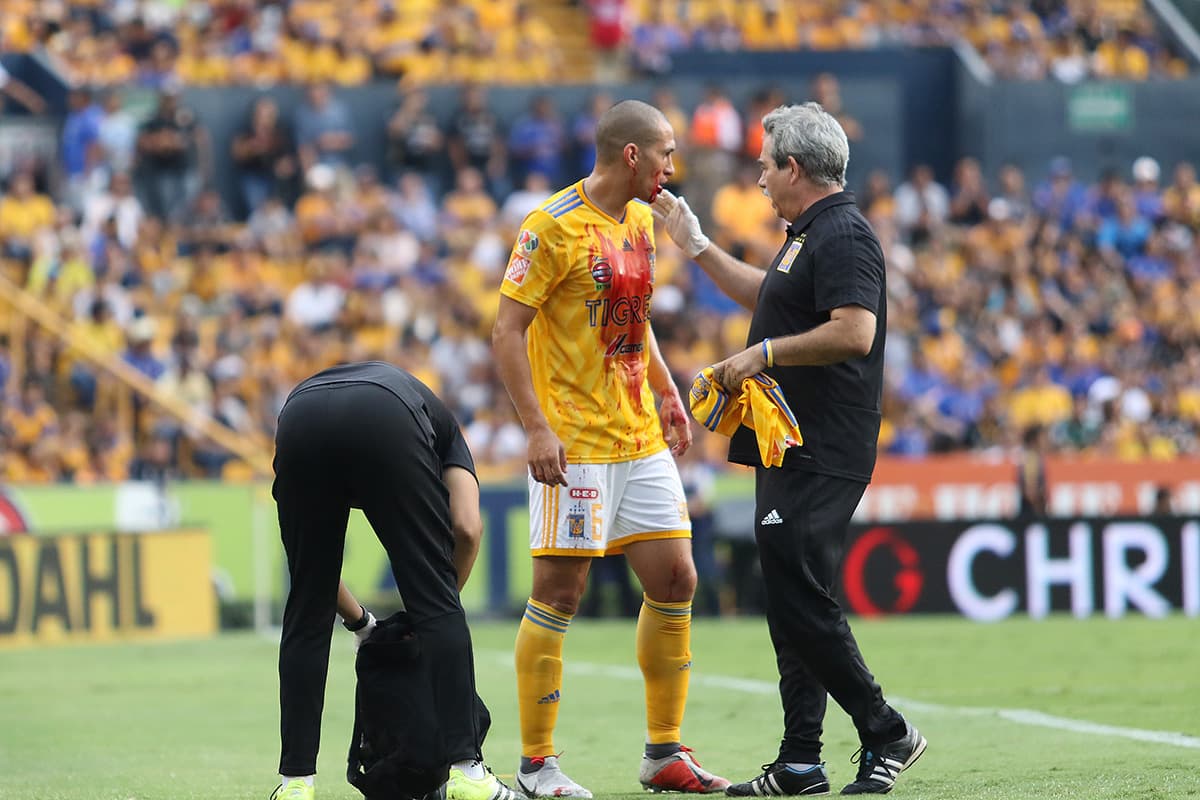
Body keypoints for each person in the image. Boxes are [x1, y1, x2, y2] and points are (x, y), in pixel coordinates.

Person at [652, 102, 926, 796]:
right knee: (792, 595)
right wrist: (698, 245)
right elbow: (769, 296)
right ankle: (801, 760)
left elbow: (855, 331)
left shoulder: (843, 235)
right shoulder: (808, 234)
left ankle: (886, 730)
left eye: (767, 164)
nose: (761, 177)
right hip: (789, 442)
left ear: (795, 168)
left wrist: (763, 355)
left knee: (800, 596)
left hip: (822, 442)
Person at [492, 99, 730, 798]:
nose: (672, 166)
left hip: (638, 433)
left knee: (677, 579)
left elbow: (636, 317)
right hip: (575, 441)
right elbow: (506, 333)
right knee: (560, 593)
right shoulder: (550, 226)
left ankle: (663, 755)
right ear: (632, 155)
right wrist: (536, 427)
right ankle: (537, 766)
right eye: (666, 153)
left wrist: (662, 388)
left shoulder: (641, 220)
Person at [271, 361, 521, 800]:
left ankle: (295, 785)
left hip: (299, 415)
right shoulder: (450, 436)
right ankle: (468, 772)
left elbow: (314, 574)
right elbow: (467, 528)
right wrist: (428, 612)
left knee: (305, 609)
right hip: (385, 414)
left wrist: (362, 624)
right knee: (438, 602)